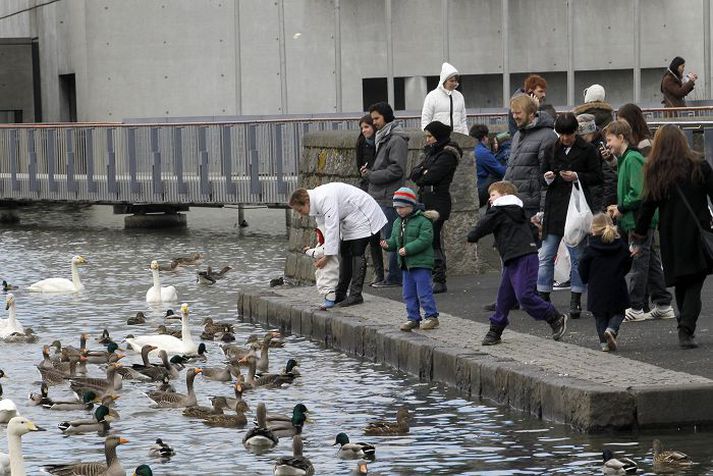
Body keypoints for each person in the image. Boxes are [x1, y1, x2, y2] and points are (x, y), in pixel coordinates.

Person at [634, 124, 713, 348]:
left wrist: (639, 234)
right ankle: (686, 327)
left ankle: (684, 325)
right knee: (695, 281)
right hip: (697, 232)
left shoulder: (656, 170)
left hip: (670, 234)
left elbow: (647, 207)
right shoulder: (699, 165)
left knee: (681, 281)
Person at [467, 180, 567, 346]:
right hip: (514, 256)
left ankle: (555, 317)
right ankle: (495, 330)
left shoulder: (499, 210)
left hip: (523, 256)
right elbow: (530, 230)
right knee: (504, 297)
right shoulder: (517, 211)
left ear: (505, 196)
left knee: (524, 295)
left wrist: (472, 236)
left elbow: (483, 226)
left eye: (493, 195)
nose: (490, 199)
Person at [604, 120, 675, 322]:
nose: (607, 144)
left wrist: (621, 207)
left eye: (609, 140)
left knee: (638, 261)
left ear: (621, 137)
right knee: (649, 261)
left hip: (638, 219)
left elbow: (638, 192)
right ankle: (663, 303)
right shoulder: (627, 159)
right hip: (636, 218)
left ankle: (635, 306)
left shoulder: (632, 159)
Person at [538, 112, 602, 319]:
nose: (565, 138)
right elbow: (541, 177)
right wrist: (547, 178)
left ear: (576, 132)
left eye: (569, 134)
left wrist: (577, 176)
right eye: (562, 134)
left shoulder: (588, 150)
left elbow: (597, 177)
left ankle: (575, 298)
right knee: (546, 255)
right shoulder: (550, 149)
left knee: (577, 257)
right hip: (555, 208)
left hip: (576, 208)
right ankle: (543, 298)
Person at [289, 183, 387, 307]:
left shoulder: (324, 198)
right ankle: (340, 293)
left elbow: (332, 228)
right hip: (350, 217)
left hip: (364, 213)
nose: (300, 213)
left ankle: (356, 294)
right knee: (345, 251)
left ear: (306, 202)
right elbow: (324, 232)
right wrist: (320, 251)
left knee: (357, 251)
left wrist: (327, 257)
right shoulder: (316, 204)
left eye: (299, 210)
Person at [410, 121, 461, 294]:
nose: (427, 140)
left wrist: (424, 173)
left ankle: (439, 278)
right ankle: (433, 276)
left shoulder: (447, 154)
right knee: (427, 237)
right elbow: (414, 173)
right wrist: (422, 172)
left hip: (438, 200)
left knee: (433, 238)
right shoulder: (432, 152)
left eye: (430, 136)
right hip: (426, 198)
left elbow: (431, 176)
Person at [380, 187, 441, 331]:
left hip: (421, 263)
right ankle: (413, 317)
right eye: (396, 208)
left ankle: (431, 316)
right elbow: (395, 240)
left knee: (423, 291)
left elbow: (425, 240)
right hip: (406, 264)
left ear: (411, 205)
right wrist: (387, 244)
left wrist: (408, 249)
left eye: (402, 207)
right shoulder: (397, 222)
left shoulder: (423, 220)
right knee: (408, 293)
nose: (399, 211)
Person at [363, 102, 408, 288]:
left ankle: (394, 278)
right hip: (380, 194)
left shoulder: (395, 139)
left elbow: (397, 169)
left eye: (377, 118)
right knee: (383, 237)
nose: (374, 123)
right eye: (372, 119)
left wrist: (372, 175)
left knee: (391, 238)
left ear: (386, 117)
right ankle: (388, 276)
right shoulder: (384, 137)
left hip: (388, 196)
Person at [579, 213, 632, 352]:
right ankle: (612, 329)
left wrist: (585, 279)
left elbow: (583, 267)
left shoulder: (590, 248)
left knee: (600, 315)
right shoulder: (620, 245)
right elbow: (628, 261)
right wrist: (621, 273)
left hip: (597, 287)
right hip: (616, 285)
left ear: (594, 229)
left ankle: (604, 343)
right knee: (619, 312)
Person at [503, 94, 557, 219]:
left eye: (518, 113)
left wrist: (543, 211)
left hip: (532, 205)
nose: (515, 116)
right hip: (515, 202)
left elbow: (547, 177)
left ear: (531, 114)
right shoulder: (517, 135)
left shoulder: (547, 136)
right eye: (513, 113)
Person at [355, 114, 384, 285]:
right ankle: (378, 272)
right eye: (362, 128)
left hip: (380, 189)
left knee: (384, 233)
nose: (364, 131)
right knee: (372, 234)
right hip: (367, 190)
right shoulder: (361, 144)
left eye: (366, 127)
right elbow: (359, 167)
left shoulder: (381, 143)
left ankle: (385, 273)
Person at [576, 113, 617, 213]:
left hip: (598, 202)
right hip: (589, 200)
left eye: (583, 136)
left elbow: (610, 180)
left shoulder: (603, 148)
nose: (581, 139)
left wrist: (603, 209)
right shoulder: (588, 146)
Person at [420, 62, 468, 134]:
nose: (454, 83)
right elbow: (426, 119)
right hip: (439, 138)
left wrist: (465, 134)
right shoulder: (432, 96)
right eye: (451, 81)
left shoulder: (459, 96)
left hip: (458, 137)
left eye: (456, 81)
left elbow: (463, 120)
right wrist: (428, 136)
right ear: (444, 80)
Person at [303, 226, 339, 309]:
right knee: (324, 284)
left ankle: (330, 301)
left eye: (318, 235)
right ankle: (327, 300)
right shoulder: (321, 245)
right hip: (324, 270)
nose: (317, 237)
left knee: (328, 284)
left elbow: (317, 253)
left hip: (329, 270)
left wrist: (307, 251)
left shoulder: (326, 246)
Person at [470, 124, 506, 208]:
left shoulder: (472, 149)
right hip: (481, 191)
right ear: (484, 137)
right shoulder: (483, 152)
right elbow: (501, 172)